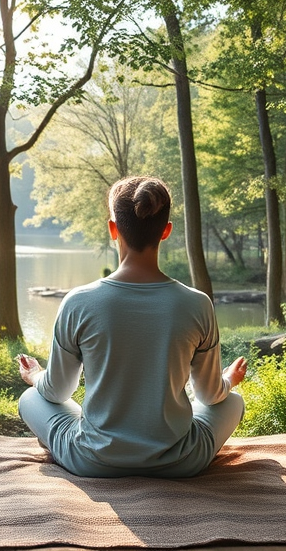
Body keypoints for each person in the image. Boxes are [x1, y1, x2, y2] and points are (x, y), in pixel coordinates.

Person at [17, 176, 248, 478]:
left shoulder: (78, 302)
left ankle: (67, 447)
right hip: (180, 462)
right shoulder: (197, 304)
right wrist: (228, 380)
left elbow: (57, 391)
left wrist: (34, 375)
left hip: (93, 461)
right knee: (233, 402)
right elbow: (209, 396)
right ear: (166, 232)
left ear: (113, 229)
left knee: (31, 398)